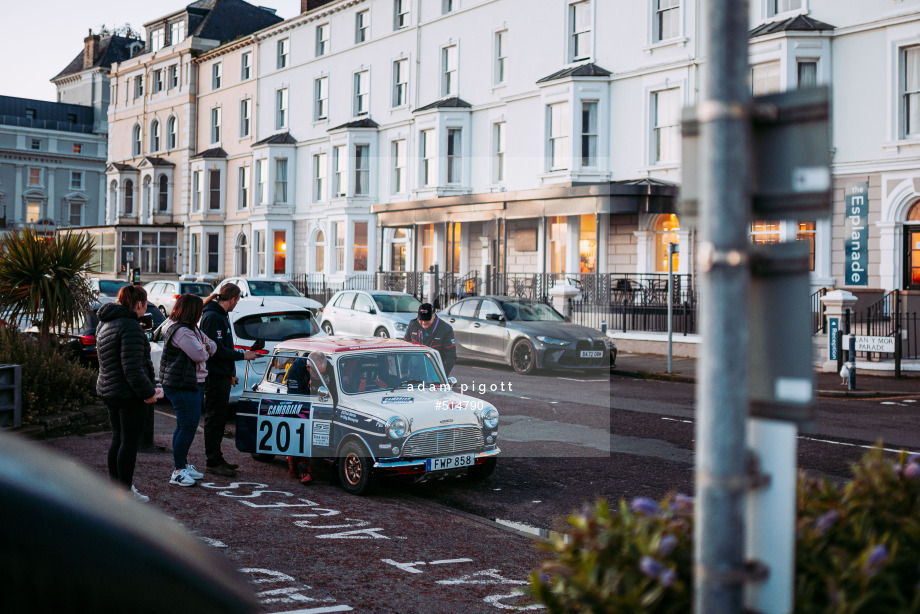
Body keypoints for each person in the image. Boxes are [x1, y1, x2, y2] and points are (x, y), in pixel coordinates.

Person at [95, 285, 159, 502]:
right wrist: (149, 393)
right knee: (129, 441)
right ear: (138, 303)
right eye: (145, 305)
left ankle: (116, 490)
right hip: (128, 393)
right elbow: (132, 368)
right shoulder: (130, 327)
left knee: (117, 438)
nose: (145, 309)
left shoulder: (106, 322)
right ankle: (124, 494)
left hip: (109, 388)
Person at [200, 284, 257, 478]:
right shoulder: (212, 317)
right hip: (214, 375)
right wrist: (243, 356)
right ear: (232, 299)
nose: (237, 304)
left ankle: (217, 458)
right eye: (238, 300)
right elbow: (215, 350)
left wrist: (231, 371)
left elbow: (225, 345)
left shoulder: (220, 315)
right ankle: (212, 461)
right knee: (214, 419)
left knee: (219, 418)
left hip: (222, 374)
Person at [160, 294, 216, 487]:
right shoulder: (182, 332)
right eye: (199, 310)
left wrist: (205, 346)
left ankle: (181, 464)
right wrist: (205, 348)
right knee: (188, 426)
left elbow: (211, 347)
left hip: (191, 382)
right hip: (182, 384)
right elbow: (199, 354)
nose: (202, 313)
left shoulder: (193, 330)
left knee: (185, 426)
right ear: (192, 310)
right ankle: (178, 470)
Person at [287, 352, 336, 485]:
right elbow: (294, 398)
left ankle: (295, 458)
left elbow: (333, 392)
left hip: (321, 403)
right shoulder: (296, 369)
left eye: (322, 373)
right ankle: (303, 467)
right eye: (316, 374)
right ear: (308, 368)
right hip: (300, 402)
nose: (319, 377)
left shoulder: (329, 367)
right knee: (300, 424)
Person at [403, 302, 457, 375]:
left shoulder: (446, 329)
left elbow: (450, 356)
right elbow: (405, 349)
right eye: (421, 320)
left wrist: (441, 375)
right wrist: (404, 372)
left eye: (427, 320)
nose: (424, 322)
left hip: (435, 372)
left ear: (433, 316)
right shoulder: (413, 325)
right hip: (414, 371)